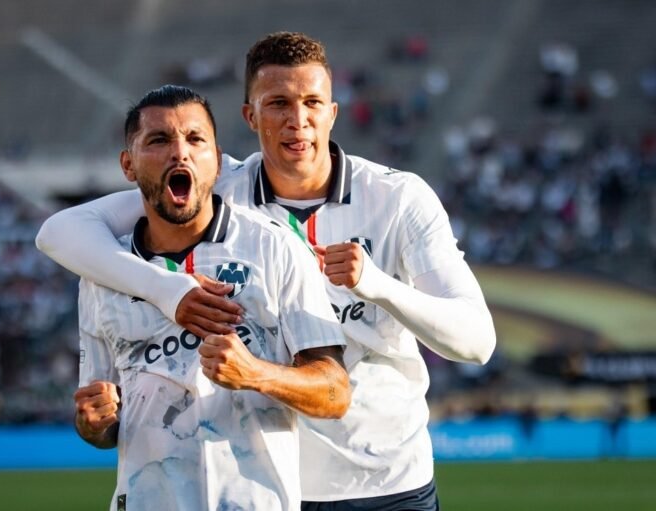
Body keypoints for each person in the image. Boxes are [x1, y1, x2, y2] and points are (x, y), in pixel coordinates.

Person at [37, 33, 497, 510]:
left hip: (385, 480)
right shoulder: (216, 189)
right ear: (250, 116)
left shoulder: (397, 198)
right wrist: (167, 290)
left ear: (332, 113)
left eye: (312, 102)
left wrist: (377, 285)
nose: (298, 120)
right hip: (272, 483)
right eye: (278, 103)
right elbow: (60, 231)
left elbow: (476, 342)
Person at [70, 84, 350, 511]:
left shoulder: (275, 249)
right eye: (159, 140)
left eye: (195, 139)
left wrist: (256, 374)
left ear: (217, 161)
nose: (179, 153)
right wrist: (94, 422)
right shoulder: (101, 276)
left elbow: (335, 393)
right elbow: (103, 421)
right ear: (128, 165)